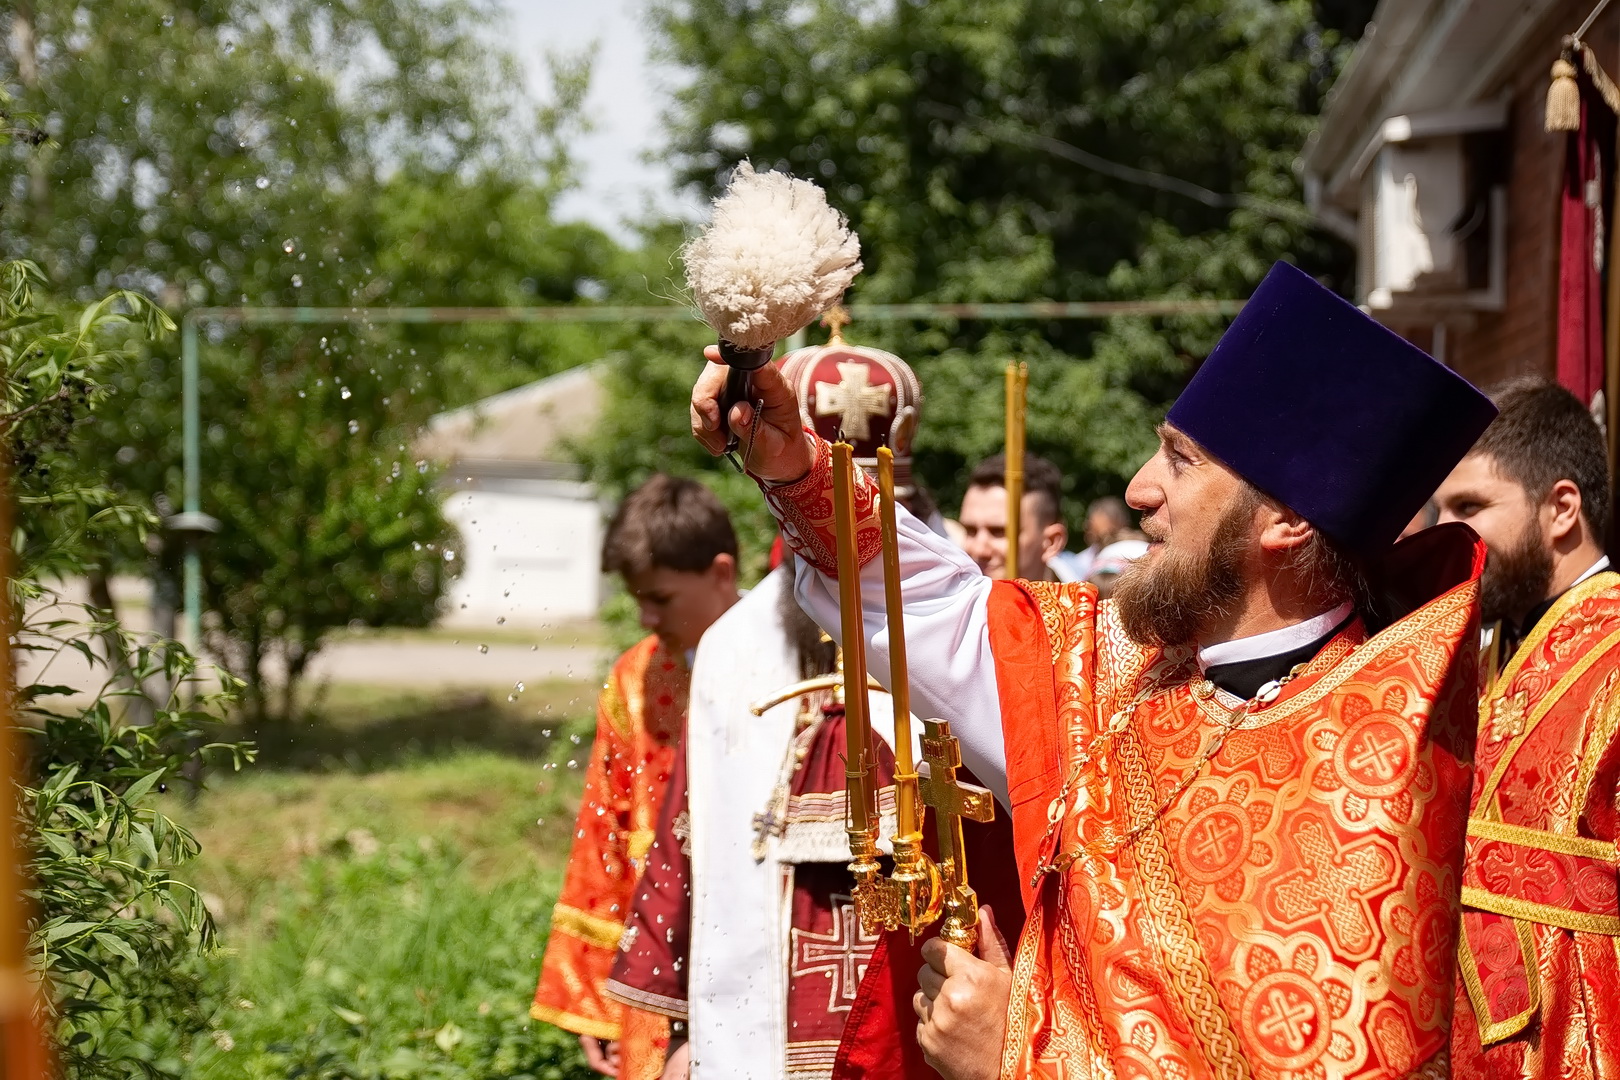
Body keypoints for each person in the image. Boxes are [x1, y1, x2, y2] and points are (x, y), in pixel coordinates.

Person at [689, 261, 1498, 1079]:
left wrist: (1019, 1056)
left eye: (1181, 461)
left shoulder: (1382, 775)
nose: (1138, 489)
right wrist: (792, 465)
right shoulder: (1113, 664)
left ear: (1285, 520)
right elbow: (928, 608)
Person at [605, 332, 1024, 1080]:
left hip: (927, 982)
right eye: (812, 526)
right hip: (760, 996)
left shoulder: (960, 633)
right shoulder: (734, 647)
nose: (835, 562)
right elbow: (695, 825)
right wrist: (678, 1024)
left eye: (859, 520)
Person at [1431, 378, 1619, 1080]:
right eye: (1439, 506)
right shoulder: (1480, 654)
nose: (1441, 531)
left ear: (1561, 508)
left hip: (1585, 1035)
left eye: (1469, 507)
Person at [531, 475, 740, 1080]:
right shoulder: (635, 678)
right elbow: (604, 835)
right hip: (657, 951)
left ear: (720, 574)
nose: (647, 616)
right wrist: (593, 995)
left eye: (663, 598)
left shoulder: (790, 659)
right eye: (637, 599)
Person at [957, 453, 1069, 581]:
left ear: (1051, 542)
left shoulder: (1084, 600)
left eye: (999, 532)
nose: (979, 550)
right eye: (970, 531)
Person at [1058, 496, 1133, 582]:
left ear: (1120, 525)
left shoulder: (1133, 552)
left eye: (1106, 535)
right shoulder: (1082, 560)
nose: (1087, 529)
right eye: (1090, 525)